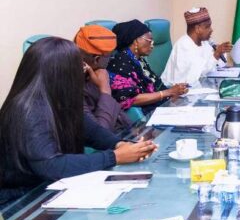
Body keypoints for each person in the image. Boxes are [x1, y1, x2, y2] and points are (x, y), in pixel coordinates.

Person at [0, 37, 157, 205]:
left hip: (54, 190)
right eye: (79, 67)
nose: (83, 71)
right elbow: (51, 165)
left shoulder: (58, 98)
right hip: (22, 202)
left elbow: (91, 131)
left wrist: (120, 145)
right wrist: (114, 157)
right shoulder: (29, 109)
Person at [108, 20, 188, 114]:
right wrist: (167, 93)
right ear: (136, 41)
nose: (152, 45)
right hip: (143, 120)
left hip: (158, 109)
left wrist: (174, 92)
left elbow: (155, 86)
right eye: (149, 40)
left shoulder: (138, 60)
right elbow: (130, 98)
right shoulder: (120, 63)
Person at [74, 25, 131, 132]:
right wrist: (105, 90)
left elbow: (119, 115)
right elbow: (101, 133)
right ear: (97, 59)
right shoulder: (73, 88)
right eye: (110, 56)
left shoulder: (93, 75)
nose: (111, 59)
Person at [162, 7, 232, 86]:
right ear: (198, 29)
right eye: (208, 27)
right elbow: (193, 76)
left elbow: (216, 66)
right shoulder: (183, 45)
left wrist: (220, 52)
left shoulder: (205, 43)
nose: (211, 30)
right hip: (175, 93)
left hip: (198, 88)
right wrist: (216, 54)